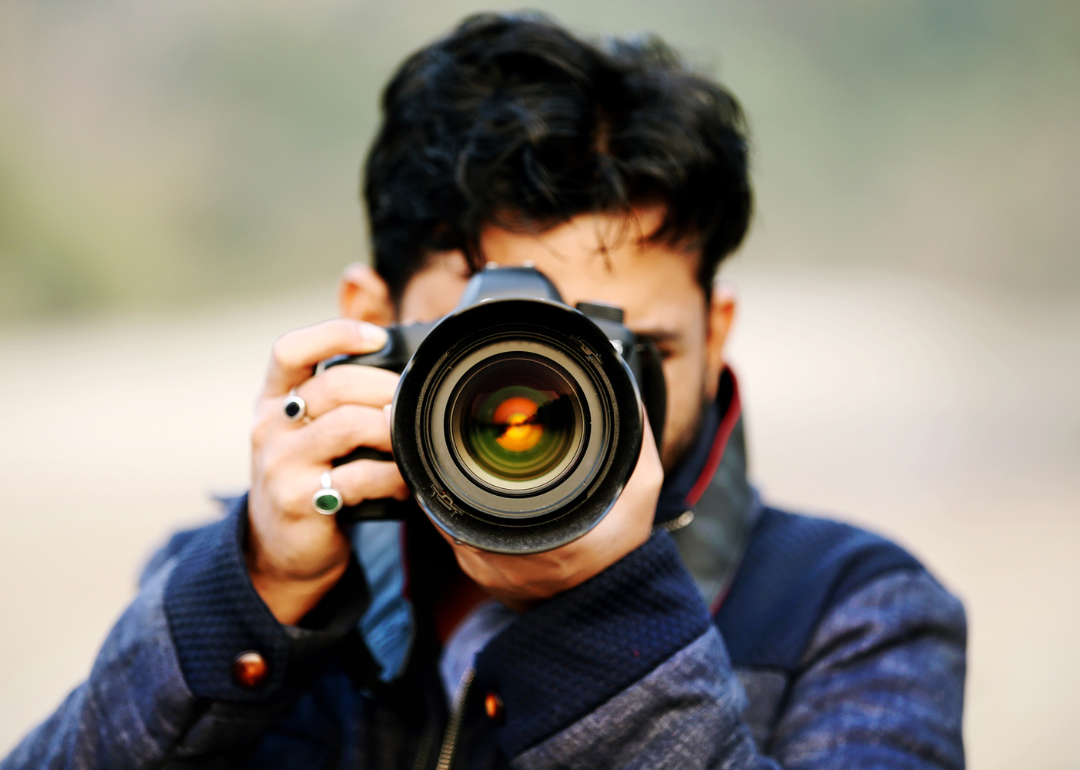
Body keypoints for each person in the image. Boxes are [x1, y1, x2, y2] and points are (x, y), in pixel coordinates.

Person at [2, 12, 966, 770]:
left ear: (715, 339)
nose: (558, 411)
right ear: (367, 317)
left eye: (631, 354)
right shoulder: (241, 577)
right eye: (498, 359)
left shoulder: (850, 611)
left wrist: (604, 615)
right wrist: (253, 595)